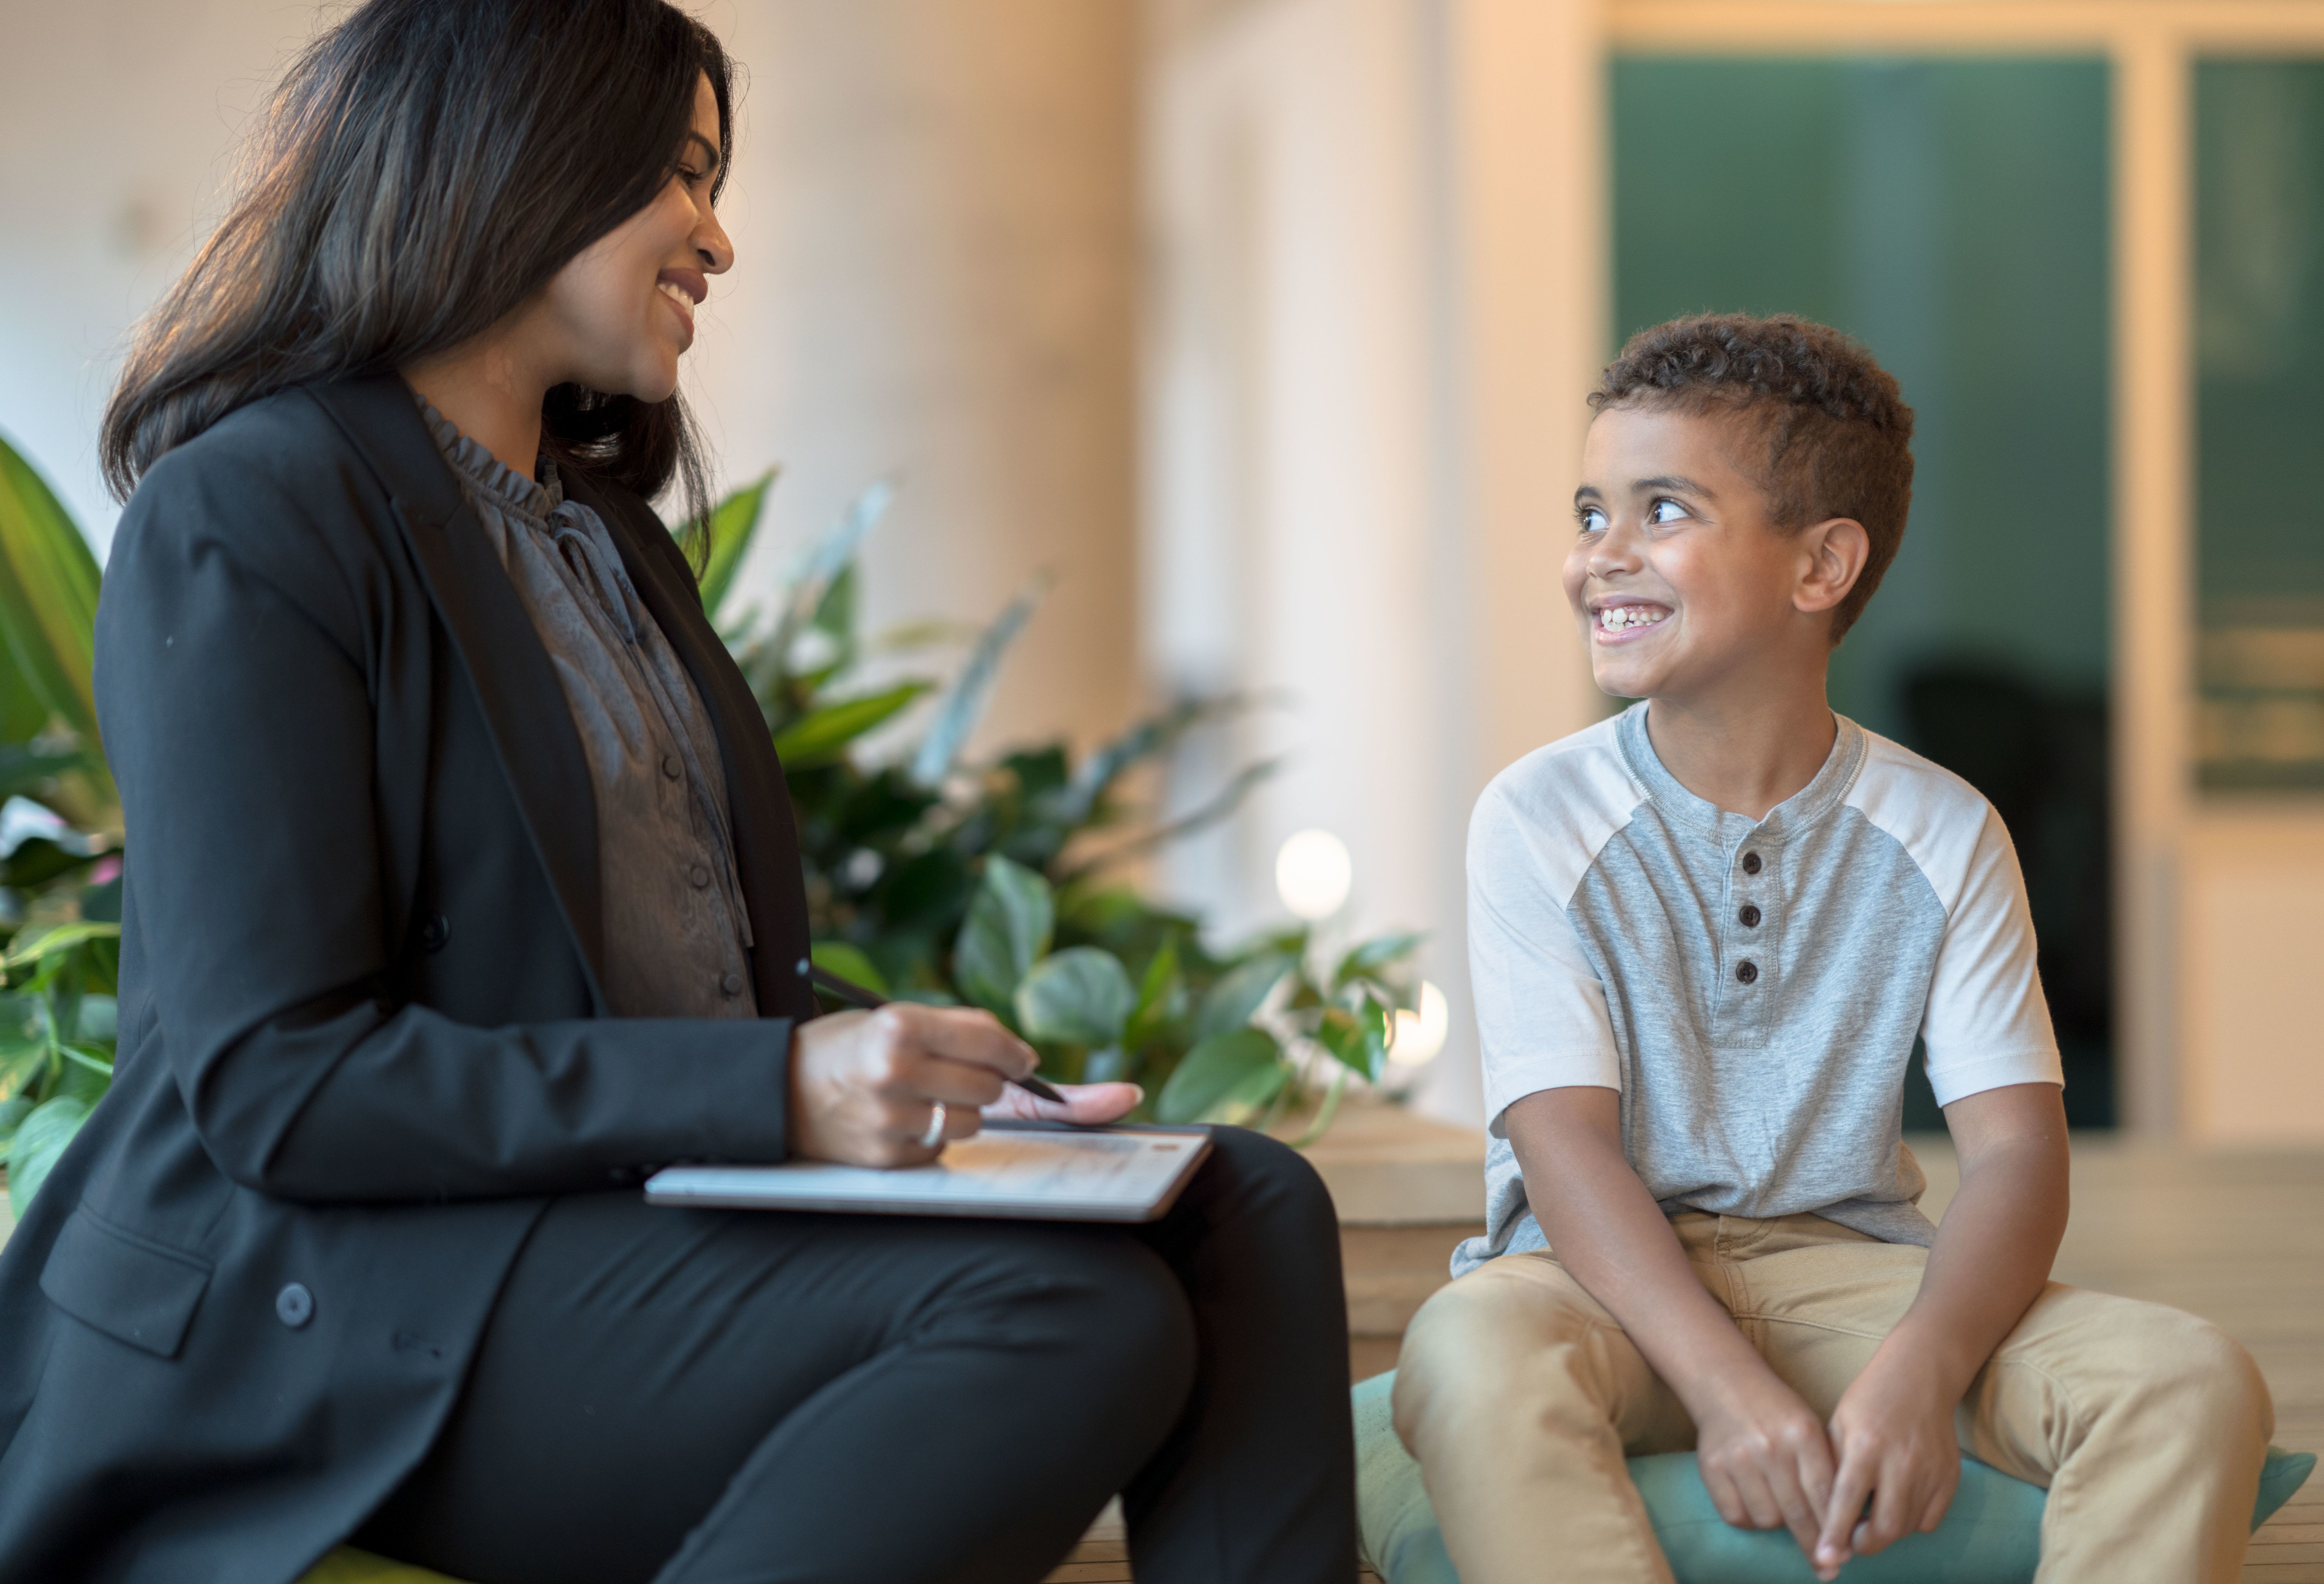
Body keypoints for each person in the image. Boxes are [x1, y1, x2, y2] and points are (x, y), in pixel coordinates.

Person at [0, 3, 1356, 1581]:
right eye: (684, 178)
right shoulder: (249, 508)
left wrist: (935, 1076)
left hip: (574, 1224)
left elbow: (662, 968)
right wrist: (781, 1092)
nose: (717, 238)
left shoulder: (600, 537)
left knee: (1245, 1199)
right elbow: (280, 1082)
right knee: (1066, 1312)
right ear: (525, 159)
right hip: (325, 1296)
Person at [1390, 314, 2274, 1584]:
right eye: (1591, 514)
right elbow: (1559, 1141)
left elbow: (2018, 1153)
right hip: (1591, 1291)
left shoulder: (1942, 830)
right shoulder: (1537, 815)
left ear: (1819, 568)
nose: (1603, 556)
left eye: (1661, 512)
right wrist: (1727, 1395)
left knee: (2191, 1378)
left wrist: (1921, 1375)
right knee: (1463, 1353)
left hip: (1849, 1281)